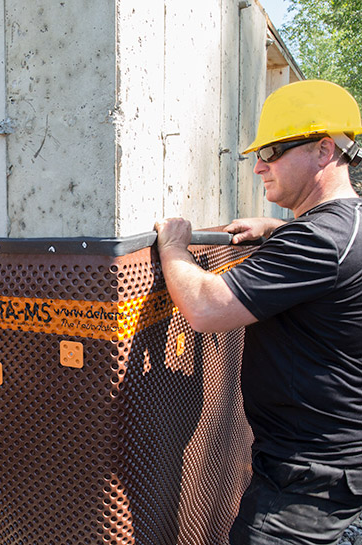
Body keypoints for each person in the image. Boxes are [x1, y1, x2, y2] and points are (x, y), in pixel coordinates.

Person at [154, 80, 362, 545]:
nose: (258, 168)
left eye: (271, 151)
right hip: (334, 465)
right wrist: (278, 229)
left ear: (324, 150)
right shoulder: (344, 226)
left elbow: (206, 308)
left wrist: (173, 246)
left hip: (306, 481)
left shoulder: (319, 240)